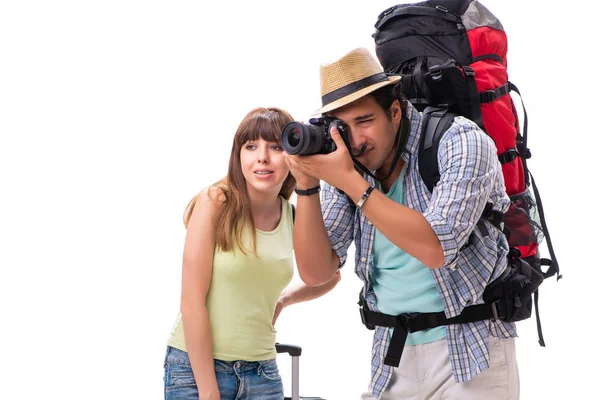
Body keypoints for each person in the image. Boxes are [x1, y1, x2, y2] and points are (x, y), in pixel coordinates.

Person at [284, 48, 519, 399]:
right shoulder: (346, 163)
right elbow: (316, 271)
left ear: (394, 111)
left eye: (365, 121)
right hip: (392, 354)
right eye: (343, 128)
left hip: (471, 347)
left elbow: (437, 247)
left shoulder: (460, 140)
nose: (357, 140)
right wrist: (306, 184)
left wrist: (351, 182)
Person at [164, 107, 341, 400]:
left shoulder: (292, 217)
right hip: (195, 371)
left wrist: (284, 300)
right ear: (239, 156)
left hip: (262, 373)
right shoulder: (215, 201)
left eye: (274, 146)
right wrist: (209, 391)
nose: (262, 157)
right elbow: (191, 303)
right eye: (251, 146)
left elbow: (329, 275)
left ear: (291, 155)